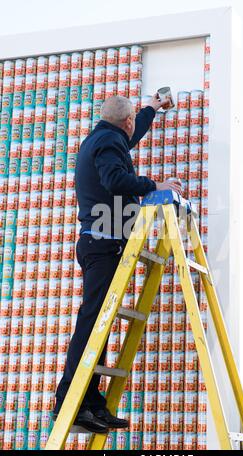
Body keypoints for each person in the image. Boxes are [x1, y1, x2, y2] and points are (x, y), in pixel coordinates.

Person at [53, 94, 182, 433]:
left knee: (100, 326)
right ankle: (70, 401)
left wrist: (152, 107)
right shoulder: (110, 143)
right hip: (103, 244)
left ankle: (92, 403)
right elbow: (114, 179)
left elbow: (129, 135)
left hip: (99, 244)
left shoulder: (103, 137)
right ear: (125, 123)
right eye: (132, 122)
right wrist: (157, 185)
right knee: (92, 323)